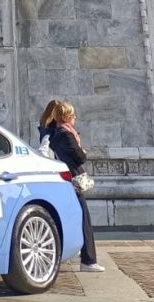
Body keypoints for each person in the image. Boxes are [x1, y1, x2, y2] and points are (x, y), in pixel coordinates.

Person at [49, 101, 105, 273]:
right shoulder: (66, 135)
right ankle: (88, 260)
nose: (75, 119)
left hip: (65, 179)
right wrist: (83, 151)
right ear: (66, 117)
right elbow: (79, 158)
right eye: (72, 116)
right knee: (84, 219)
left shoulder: (55, 133)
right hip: (74, 179)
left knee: (72, 217)